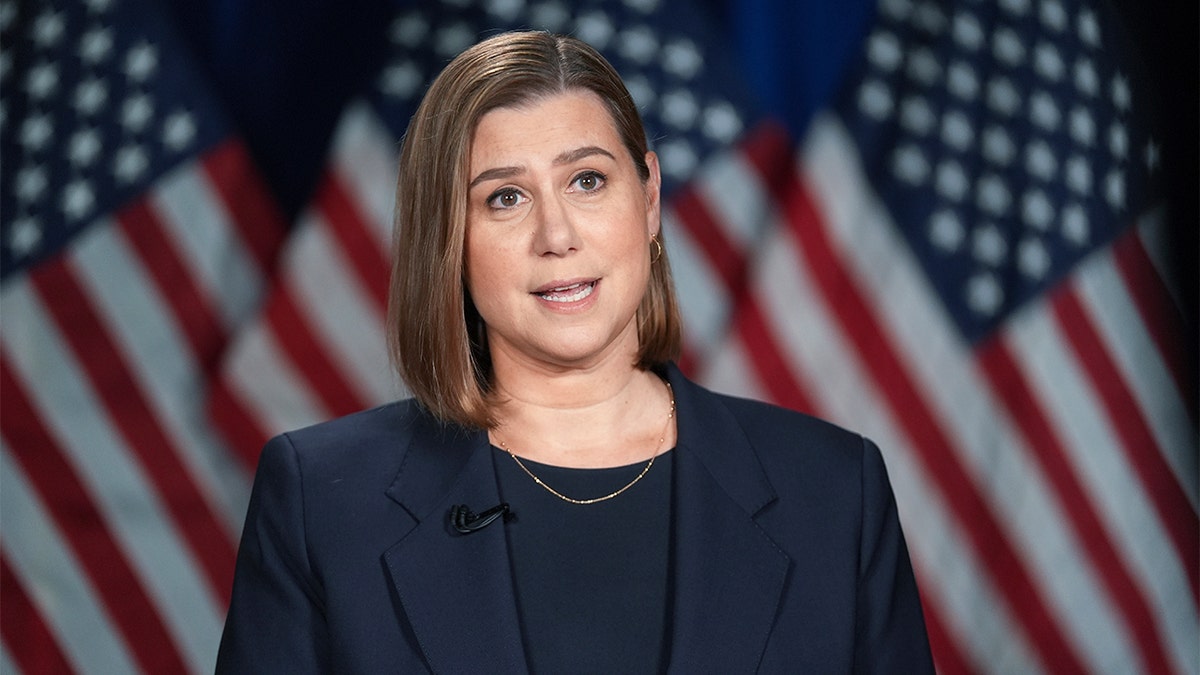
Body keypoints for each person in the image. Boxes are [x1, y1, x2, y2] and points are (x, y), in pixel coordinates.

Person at [216, 30, 933, 673]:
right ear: (447, 241)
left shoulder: (836, 492)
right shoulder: (323, 500)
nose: (556, 234)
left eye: (587, 180)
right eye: (504, 198)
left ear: (647, 198)